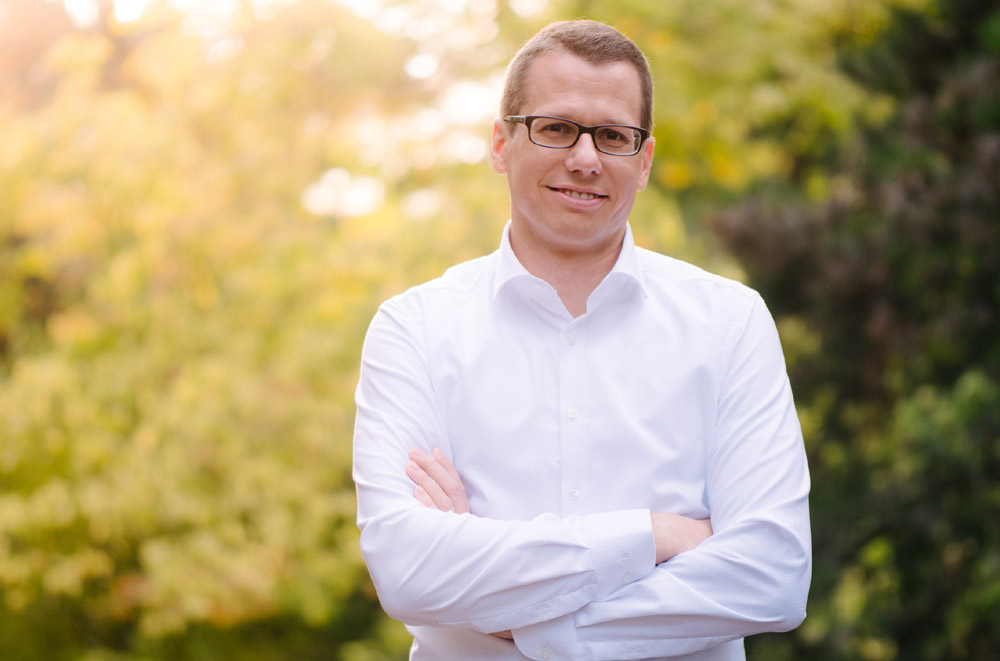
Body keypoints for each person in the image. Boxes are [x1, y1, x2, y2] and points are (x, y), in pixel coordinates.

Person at [353, 19, 811, 661]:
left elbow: (772, 577)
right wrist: (653, 536)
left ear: (643, 161)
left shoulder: (729, 323)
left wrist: (521, 615)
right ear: (501, 143)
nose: (586, 159)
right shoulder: (415, 329)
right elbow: (409, 571)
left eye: (613, 136)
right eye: (557, 128)